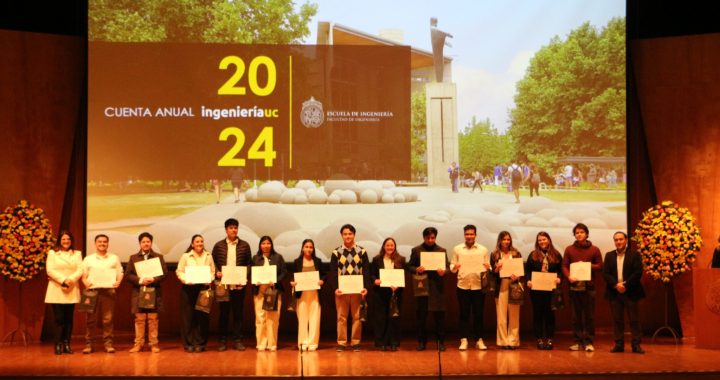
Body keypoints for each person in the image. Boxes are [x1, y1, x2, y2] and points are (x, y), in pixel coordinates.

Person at [212, 218, 252, 351]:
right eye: (231, 227)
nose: (233, 230)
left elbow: (249, 264)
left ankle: (238, 340)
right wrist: (217, 272)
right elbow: (213, 263)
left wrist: (244, 277)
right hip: (223, 285)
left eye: (235, 227)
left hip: (239, 286)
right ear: (226, 230)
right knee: (223, 314)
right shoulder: (218, 245)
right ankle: (222, 341)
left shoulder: (244, 245)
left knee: (238, 314)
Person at [125, 232, 168, 353]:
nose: (146, 244)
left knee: (153, 319)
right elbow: (128, 275)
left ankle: (153, 344)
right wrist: (140, 280)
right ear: (140, 243)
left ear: (151, 243)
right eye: (143, 242)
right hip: (139, 292)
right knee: (139, 319)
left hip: (154, 291)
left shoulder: (158, 257)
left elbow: (164, 273)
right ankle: (138, 344)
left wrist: (154, 279)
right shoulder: (133, 257)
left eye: (148, 241)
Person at [562, 223, 603, 352]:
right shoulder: (569, 249)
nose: (579, 234)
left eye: (582, 232)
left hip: (589, 288)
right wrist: (568, 276)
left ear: (587, 234)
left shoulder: (594, 249)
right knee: (576, 316)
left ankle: (589, 342)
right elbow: (564, 266)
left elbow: (600, 265)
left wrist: (587, 266)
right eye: (577, 232)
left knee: (589, 316)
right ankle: (578, 342)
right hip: (574, 287)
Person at [603, 232, 646, 354]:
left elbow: (638, 273)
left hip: (631, 291)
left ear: (626, 240)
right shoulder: (609, 255)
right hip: (614, 292)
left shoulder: (635, 254)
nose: (618, 242)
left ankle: (636, 345)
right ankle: (619, 344)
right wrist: (616, 285)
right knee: (617, 320)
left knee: (634, 320)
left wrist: (625, 285)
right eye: (616, 240)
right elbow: (606, 273)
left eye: (621, 239)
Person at [330, 224, 371, 352]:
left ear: (354, 235)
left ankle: (355, 342)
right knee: (341, 317)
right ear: (342, 235)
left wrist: (365, 287)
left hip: (358, 291)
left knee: (357, 317)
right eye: (345, 234)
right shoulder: (336, 252)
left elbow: (367, 271)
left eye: (350, 234)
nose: (348, 236)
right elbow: (332, 272)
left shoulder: (362, 251)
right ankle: (341, 342)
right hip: (341, 291)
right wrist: (335, 288)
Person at [408, 227, 448, 351]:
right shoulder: (416, 250)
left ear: (435, 237)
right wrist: (416, 269)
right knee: (421, 317)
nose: (430, 240)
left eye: (433, 237)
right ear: (424, 237)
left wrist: (443, 272)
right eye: (428, 238)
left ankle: (440, 342)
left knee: (439, 317)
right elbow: (409, 266)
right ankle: (421, 342)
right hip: (422, 286)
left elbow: (447, 267)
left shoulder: (442, 250)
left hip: (437, 287)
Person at [81, 234, 123, 354]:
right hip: (92, 292)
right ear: (95, 244)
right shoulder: (88, 259)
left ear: (108, 244)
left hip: (108, 291)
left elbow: (120, 272)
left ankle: (108, 344)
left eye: (105, 242)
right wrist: (85, 282)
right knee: (90, 320)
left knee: (108, 320)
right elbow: (83, 275)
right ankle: (89, 345)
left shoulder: (114, 258)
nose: (102, 244)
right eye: (99, 242)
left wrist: (118, 282)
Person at [450, 224, 490, 351]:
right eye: (467, 234)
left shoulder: (483, 249)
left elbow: (488, 267)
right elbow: (452, 267)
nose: (469, 236)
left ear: (475, 235)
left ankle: (479, 340)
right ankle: (464, 339)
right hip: (463, 286)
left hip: (479, 286)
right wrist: (455, 267)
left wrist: (489, 267)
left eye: (471, 234)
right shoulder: (457, 249)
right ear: (464, 235)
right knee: (464, 314)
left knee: (478, 314)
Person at [45, 231, 83, 355]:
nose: (66, 241)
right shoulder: (52, 253)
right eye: (63, 239)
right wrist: (63, 280)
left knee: (68, 319)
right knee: (59, 319)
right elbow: (50, 270)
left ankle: (67, 343)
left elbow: (80, 269)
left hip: (71, 288)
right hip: (56, 288)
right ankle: (58, 344)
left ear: (71, 241)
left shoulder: (77, 254)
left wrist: (70, 280)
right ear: (59, 241)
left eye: (68, 239)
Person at [177, 234, 215, 352]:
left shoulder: (208, 256)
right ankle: (188, 343)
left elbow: (212, 271)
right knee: (188, 317)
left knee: (202, 317)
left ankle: (200, 343)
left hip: (203, 289)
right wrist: (186, 280)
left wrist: (210, 279)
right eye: (197, 241)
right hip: (189, 289)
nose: (200, 243)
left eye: (201, 241)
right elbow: (179, 271)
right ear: (192, 244)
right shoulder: (186, 256)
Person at [525, 232, 563, 350]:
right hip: (536, 290)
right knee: (538, 314)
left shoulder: (556, 255)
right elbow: (527, 271)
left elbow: (561, 270)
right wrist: (528, 281)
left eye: (544, 239)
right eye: (539, 240)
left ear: (549, 240)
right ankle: (540, 339)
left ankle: (550, 339)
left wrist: (559, 278)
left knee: (550, 314)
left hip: (551, 289)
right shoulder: (533, 255)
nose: (542, 242)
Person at [252, 236, 287, 351]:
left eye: (268, 243)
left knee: (273, 319)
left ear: (271, 245)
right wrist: (255, 281)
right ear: (260, 245)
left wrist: (275, 280)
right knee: (260, 318)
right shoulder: (256, 258)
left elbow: (284, 272)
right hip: (259, 291)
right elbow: (251, 272)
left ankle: (272, 343)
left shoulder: (278, 257)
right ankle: (261, 343)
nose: (266, 245)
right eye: (263, 243)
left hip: (274, 291)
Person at [289, 239, 326, 351]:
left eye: (311, 247)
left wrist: (322, 281)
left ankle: (313, 343)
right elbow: (292, 276)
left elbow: (324, 275)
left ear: (313, 249)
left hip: (315, 293)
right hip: (302, 293)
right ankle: (303, 342)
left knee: (315, 318)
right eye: (306, 246)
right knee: (303, 319)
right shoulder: (297, 262)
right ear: (302, 248)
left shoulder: (318, 261)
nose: (309, 249)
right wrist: (292, 282)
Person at [371, 237, 406, 351]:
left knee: (394, 318)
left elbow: (403, 276)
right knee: (381, 318)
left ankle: (394, 342)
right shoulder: (376, 259)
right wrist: (375, 281)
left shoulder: (401, 259)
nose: (390, 247)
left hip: (395, 293)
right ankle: (382, 343)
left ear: (394, 247)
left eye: (392, 245)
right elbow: (372, 275)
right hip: (380, 293)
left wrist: (398, 285)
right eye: (387, 245)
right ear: (383, 246)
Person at [490, 231, 523, 349]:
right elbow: (492, 273)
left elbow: (520, 270)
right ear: (499, 240)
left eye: (508, 239)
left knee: (514, 314)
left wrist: (518, 276)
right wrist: (496, 269)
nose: (506, 242)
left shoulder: (516, 253)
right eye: (504, 239)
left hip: (514, 284)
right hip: (501, 285)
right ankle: (503, 341)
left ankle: (513, 341)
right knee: (501, 315)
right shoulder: (494, 254)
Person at [430, 17, 453, 82]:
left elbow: (439, 36)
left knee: (440, 64)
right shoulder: (433, 29)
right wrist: (447, 34)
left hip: (438, 51)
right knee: (439, 64)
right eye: (436, 22)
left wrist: (446, 42)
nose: (436, 23)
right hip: (437, 52)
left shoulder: (434, 30)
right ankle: (439, 80)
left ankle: (440, 80)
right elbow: (439, 33)